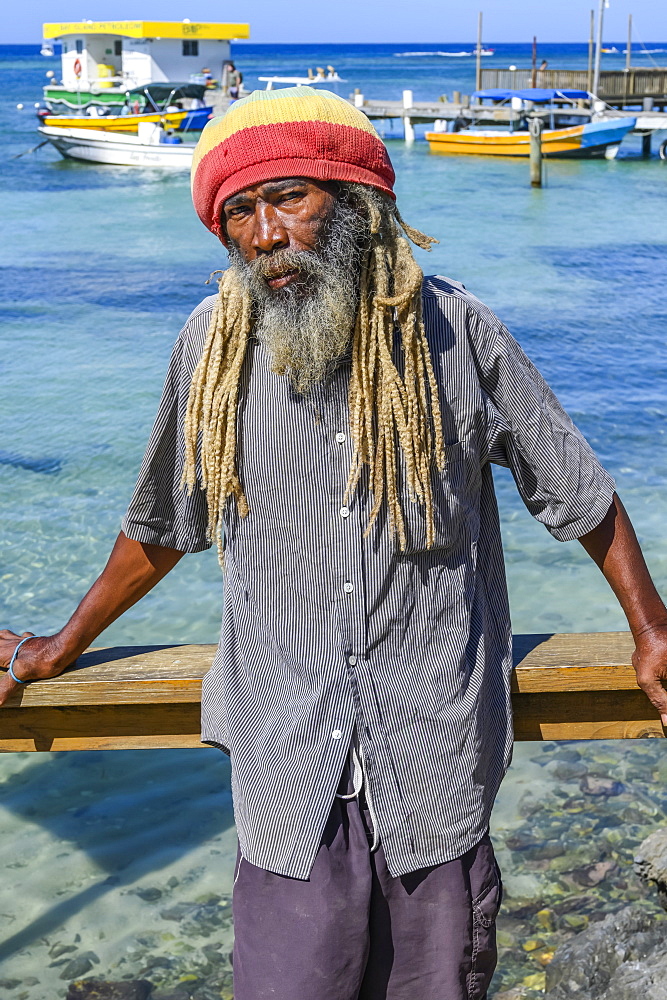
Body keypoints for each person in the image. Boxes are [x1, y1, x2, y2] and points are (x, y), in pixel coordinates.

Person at [2, 86, 667, 1000]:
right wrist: (61, 645)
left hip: (434, 757)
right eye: (239, 211)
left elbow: (579, 494)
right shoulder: (211, 347)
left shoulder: (457, 332)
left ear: (355, 204)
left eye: (289, 198)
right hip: (285, 772)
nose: (265, 234)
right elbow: (161, 527)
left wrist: (649, 629)